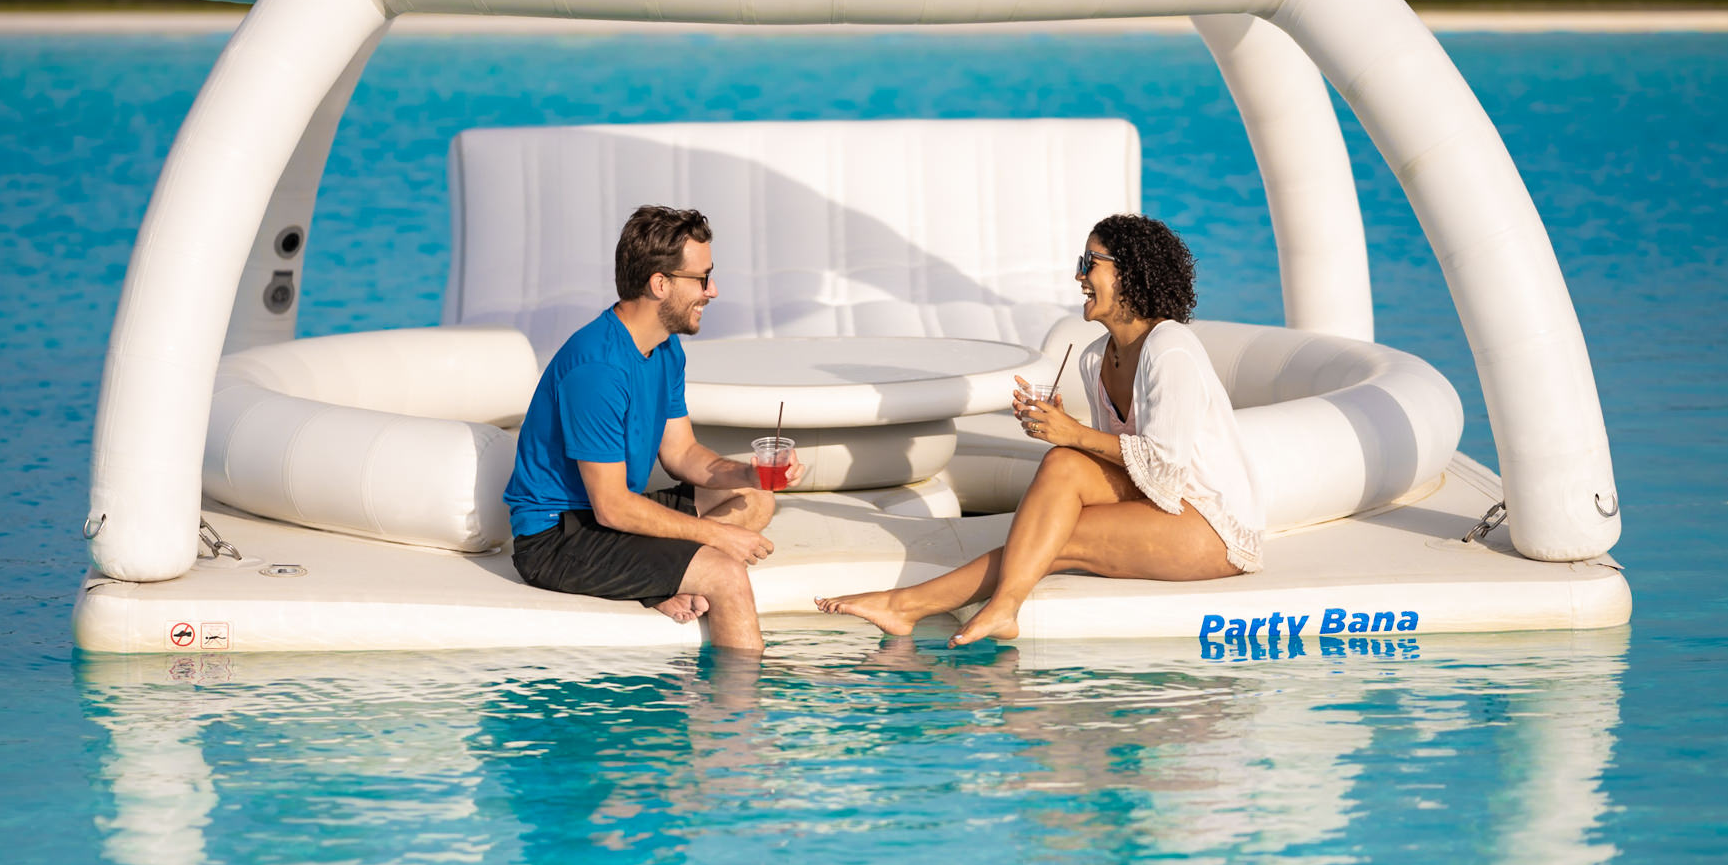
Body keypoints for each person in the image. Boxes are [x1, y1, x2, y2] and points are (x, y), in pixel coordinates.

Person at [819, 213, 1263, 646]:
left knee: (1055, 535)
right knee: (1062, 466)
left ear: (1131, 274)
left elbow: (1164, 468)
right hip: (1162, 506)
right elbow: (1125, 465)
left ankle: (930, 606)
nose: (1079, 276)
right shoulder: (1095, 357)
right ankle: (930, 607)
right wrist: (1059, 429)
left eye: (1090, 263)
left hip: (1210, 526)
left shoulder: (1170, 348)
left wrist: (1074, 432)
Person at [504, 204, 802, 652]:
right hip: (557, 538)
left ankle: (662, 580)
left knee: (755, 499)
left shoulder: (665, 349)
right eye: (702, 278)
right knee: (725, 573)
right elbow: (612, 509)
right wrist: (717, 539)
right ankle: (739, 715)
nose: (713, 291)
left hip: (609, 516)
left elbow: (682, 454)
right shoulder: (598, 368)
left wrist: (750, 474)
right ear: (660, 283)